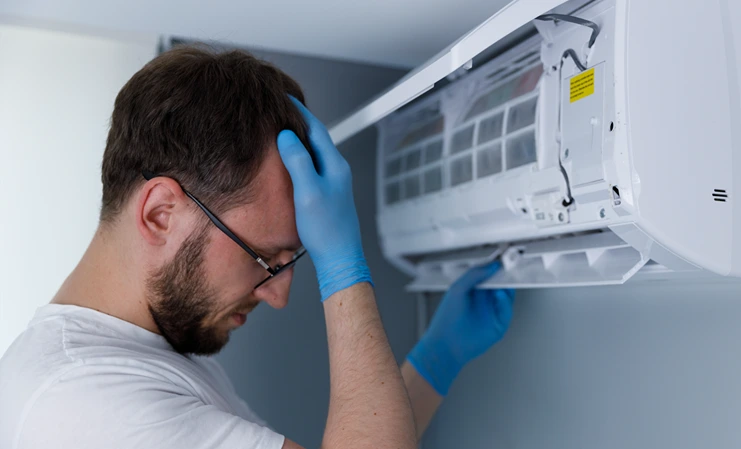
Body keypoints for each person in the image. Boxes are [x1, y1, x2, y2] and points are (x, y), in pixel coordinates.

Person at [0, 46, 515, 449]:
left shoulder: (132, 359)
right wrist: (345, 268)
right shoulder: (84, 405)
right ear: (160, 214)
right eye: (266, 258)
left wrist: (434, 362)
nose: (278, 295)